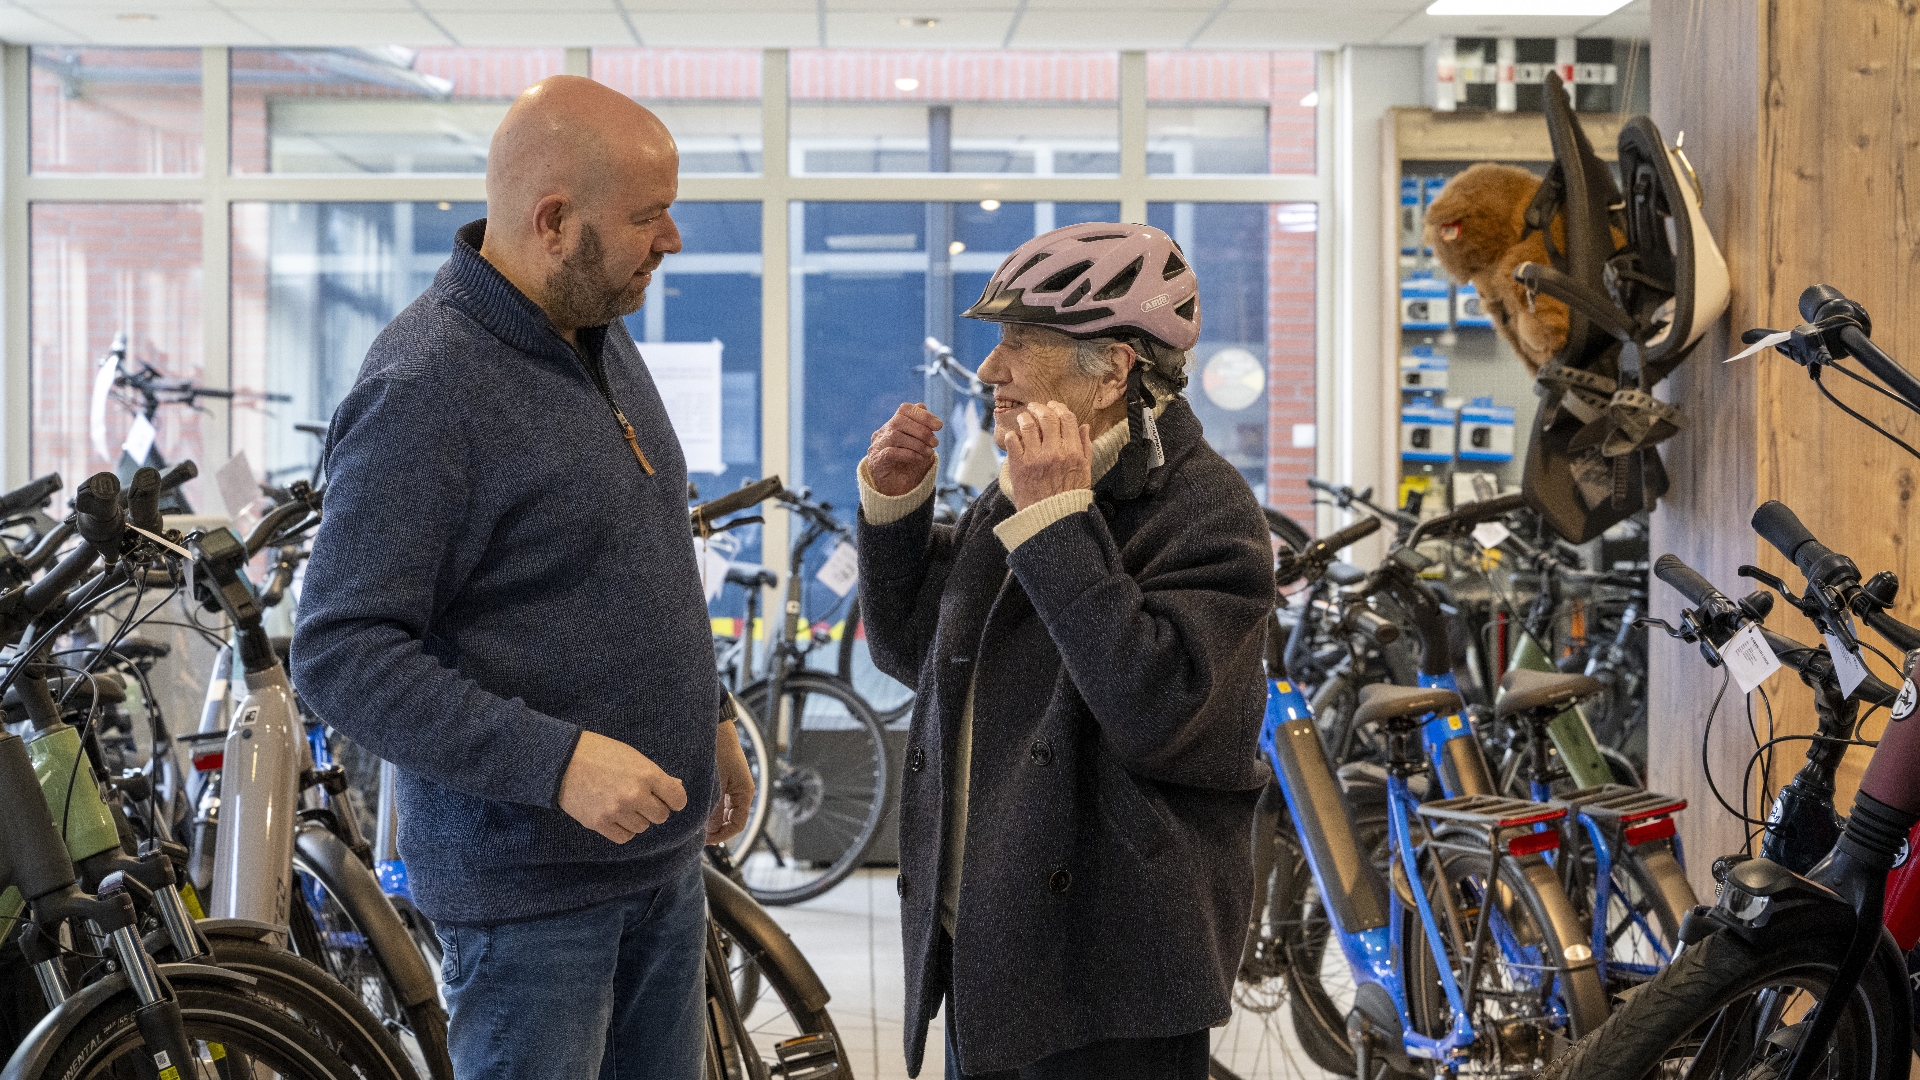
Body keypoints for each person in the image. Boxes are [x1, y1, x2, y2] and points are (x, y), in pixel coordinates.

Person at [290, 75, 754, 1080]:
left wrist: (709, 716)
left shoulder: (591, 326)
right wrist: (556, 762)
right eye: (649, 217)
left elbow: (640, 550)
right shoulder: (425, 385)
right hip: (531, 904)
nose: (672, 241)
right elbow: (339, 651)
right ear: (553, 221)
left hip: (659, 868)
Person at [857, 222, 1277, 1078]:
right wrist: (897, 516)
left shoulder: (1208, 512)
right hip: (987, 946)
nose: (990, 370)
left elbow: (1161, 713)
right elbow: (917, 656)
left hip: (1108, 973)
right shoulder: (1029, 477)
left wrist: (1055, 525)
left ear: (1114, 368)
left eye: (1021, 342)